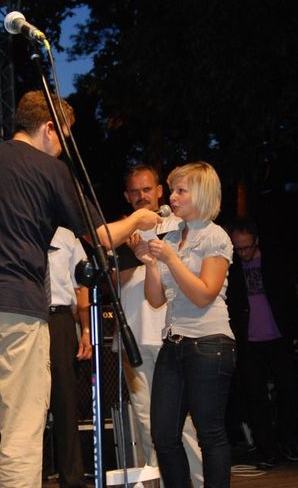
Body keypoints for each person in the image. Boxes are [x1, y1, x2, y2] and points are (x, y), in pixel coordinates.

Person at [0, 90, 159, 486]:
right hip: (18, 309)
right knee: (21, 428)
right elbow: (102, 237)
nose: (64, 146)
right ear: (49, 128)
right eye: (64, 135)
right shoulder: (52, 170)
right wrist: (137, 219)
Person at [133, 161, 235, 488]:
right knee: (163, 435)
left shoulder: (214, 236)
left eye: (180, 191)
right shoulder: (174, 235)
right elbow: (155, 300)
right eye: (172, 190)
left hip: (209, 343)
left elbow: (204, 294)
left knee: (209, 432)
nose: (172, 198)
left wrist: (170, 259)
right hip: (174, 342)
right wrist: (151, 262)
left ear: (202, 194)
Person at [118, 164, 203, 486]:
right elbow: (114, 281)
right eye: (134, 191)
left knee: (183, 422)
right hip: (134, 340)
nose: (141, 196)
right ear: (127, 196)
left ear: (158, 191)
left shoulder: (180, 225)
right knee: (144, 420)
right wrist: (132, 251)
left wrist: (149, 253)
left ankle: (197, 481)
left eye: (146, 189)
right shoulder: (121, 232)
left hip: (173, 336)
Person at [226, 220, 298, 468]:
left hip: (278, 338)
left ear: (256, 242)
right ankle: (267, 449)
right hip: (248, 342)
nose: (243, 253)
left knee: (288, 391)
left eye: (247, 247)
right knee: (255, 397)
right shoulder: (231, 268)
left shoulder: (274, 263)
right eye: (238, 248)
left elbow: (290, 299)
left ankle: (288, 441)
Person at [47, 227, 92, 487]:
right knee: (23, 405)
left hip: (60, 319)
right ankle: (25, 477)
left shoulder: (67, 236)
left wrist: (85, 329)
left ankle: (72, 480)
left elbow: (81, 285)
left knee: (65, 403)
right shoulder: (17, 225)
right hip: (24, 316)